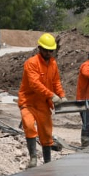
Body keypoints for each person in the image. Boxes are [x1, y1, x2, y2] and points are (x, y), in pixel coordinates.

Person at [17, 33, 67, 168]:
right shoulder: (31, 63)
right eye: (46, 50)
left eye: (51, 50)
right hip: (28, 102)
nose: (48, 53)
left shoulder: (53, 64)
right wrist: (51, 95)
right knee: (28, 125)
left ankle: (47, 162)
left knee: (46, 132)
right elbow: (34, 84)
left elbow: (56, 81)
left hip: (43, 103)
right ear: (40, 48)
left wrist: (62, 95)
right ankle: (33, 158)